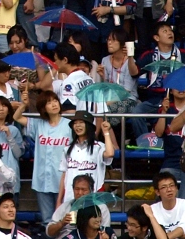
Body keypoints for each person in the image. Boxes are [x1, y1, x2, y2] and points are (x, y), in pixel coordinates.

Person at [14, 87, 71, 222]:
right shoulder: (38, 124)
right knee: (47, 220)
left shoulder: (69, 125)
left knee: (63, 220)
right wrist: (24, 105)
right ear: (43, 108)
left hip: (62, 179)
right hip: (42, 179)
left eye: (55, 101)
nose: (54, 104)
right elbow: (16, 117)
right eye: (49, 102)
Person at [57, 111, 114, 206]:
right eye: (75, 123)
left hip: (93, 198)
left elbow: (110, 153)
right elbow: (64, 175)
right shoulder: (68, 149)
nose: (77, 126)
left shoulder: (98, 147)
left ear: (89, 125)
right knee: (72, 221)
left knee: (90, 220)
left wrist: (106, 132)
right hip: (70, 198)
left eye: (81, 122)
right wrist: (59, 201)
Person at [47, 174, 112, 239]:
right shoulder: (65, 207)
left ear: (91, 190)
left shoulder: (100, 207)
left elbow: (105, 230)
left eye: (84, 189)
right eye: (77, 189)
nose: (80, 193)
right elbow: (49, 233)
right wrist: (61, 223)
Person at [150, 170, 185, 239]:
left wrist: (164, 236)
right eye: (164, 187)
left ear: (176, 188)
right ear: (157, 192)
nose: (169, 189)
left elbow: (182, 228)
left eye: (171, 185)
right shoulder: (152, 210)